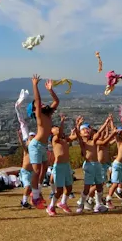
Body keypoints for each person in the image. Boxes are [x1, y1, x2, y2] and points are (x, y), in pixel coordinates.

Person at [28, 75, 59, 209]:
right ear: (35, 111)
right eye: (38, 105)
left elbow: (56, 101)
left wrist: (50, 90)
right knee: (36, 171)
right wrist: (35, 85)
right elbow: (37, 99)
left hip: (42, 145)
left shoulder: (48, 114)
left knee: (44, 168)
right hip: (35, 145)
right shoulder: (40, 116)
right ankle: (34, 196)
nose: (41, 104)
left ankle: (37, 192)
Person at [47, 114, 73, 215]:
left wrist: (77, 126)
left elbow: (74, 137)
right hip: (59, 166)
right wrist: (62, 121)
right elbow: (59, 134)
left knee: (69, 187)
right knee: (59, 190)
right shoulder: (54, 139)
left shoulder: (64, 140)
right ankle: (51, 206)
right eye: (55, 128)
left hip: (66, 165)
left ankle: (63, 203)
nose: (57, 129)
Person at [16, 130, 36, 208]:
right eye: (30, 139)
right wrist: (19, 136)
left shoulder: (35, 151)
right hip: (25, 171)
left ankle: (26, 201)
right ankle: (24, 202)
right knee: (27, 186)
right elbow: (22, 144)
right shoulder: (26, 150)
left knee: (30, 188)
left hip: (32, 172)